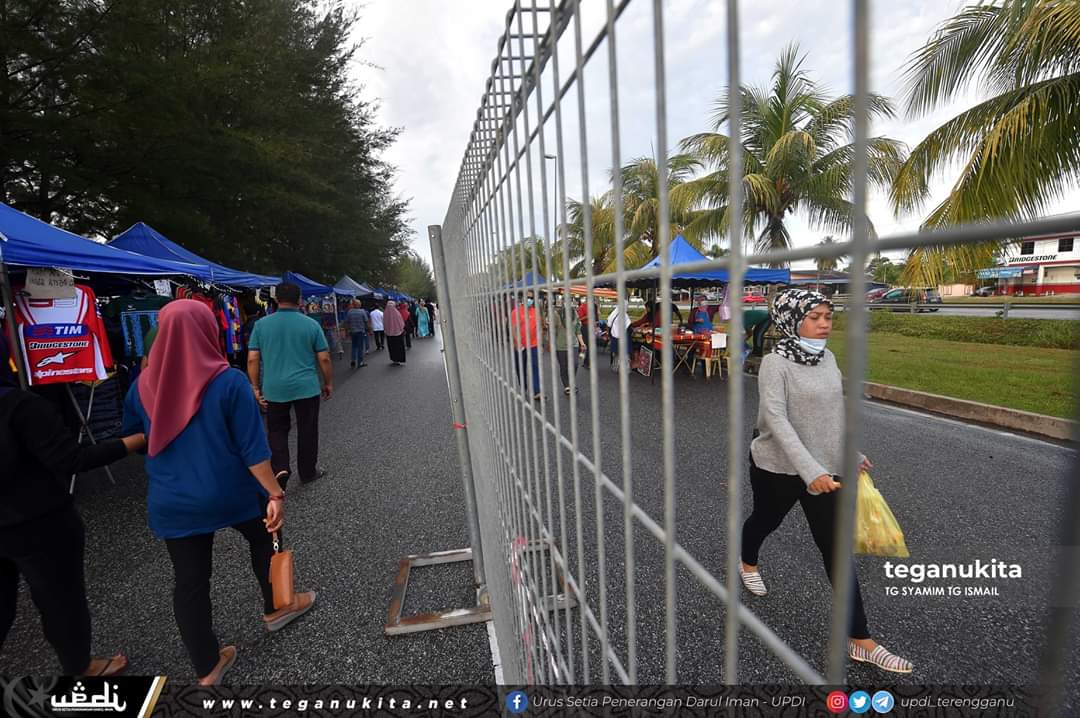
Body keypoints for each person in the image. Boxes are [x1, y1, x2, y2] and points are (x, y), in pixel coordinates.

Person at [122, 300, 315, 685]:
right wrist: (275, 493)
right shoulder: (228, 381)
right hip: (233, 492)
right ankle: (277, 607)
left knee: (190, 582)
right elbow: (254, 451)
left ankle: (207, 666)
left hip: (173, 500)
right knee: (265, 540)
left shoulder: (141, 386)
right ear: (209, 330)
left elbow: (138, 441)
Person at [740, 288, 912, 674]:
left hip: (824, 471)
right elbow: (776, 421)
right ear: (791, 319)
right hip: (777, 468)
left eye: (828, 317)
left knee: (835, 550)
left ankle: (860, 640)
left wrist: (847, 455)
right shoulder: (774, 363)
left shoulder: (828, 358)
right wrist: (810, 470)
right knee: (765, 522)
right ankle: (747, 563)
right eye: (814, 317)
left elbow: (834, 417)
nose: (823, 325)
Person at [0, 334, 144, 677]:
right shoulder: (21, 406)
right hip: (38, 522)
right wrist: (134, 441)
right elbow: (70, 458)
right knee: (60, 601)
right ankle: (80, 667)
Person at [247, 282, 332, 488]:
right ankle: (308, 471)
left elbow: (252, 358)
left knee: (276, 430)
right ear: (300, 300)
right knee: (308, 429)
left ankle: (281, 468)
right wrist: (328, 382)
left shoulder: (261, 325)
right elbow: (324, 358)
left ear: (276, 300)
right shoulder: (310, 324)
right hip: (306, 387)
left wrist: (255, 387)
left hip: (274, 388)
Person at [545, 297, 585, 395]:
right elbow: (552, 330)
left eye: (571, 302)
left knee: (575, 364)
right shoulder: (556, 314)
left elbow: (578, 330)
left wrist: (582, 343)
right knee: (564, 366)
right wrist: (551, 343)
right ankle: (567, 385)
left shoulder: (575, 314)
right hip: (560, 345)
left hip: (574, 344)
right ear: (563, 303)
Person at [510, 295, 542, 400]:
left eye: (531, 297)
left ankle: (537, 391)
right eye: (527, 297)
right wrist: (518, 342)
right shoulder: (516, 312)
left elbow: (538, 328)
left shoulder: (535, 311)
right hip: (520, 345)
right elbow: (513, 329)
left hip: (534, 344)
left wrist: (540, 343)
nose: (530, 299)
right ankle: (523, 387)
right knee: (520, 367)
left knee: (535, 367)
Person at [606, 301, 632, 370]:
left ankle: (615, 367)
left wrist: (609, 334)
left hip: (615, 337)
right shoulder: (624, 315)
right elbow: (629, 326)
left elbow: (608, 324)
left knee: (616, 353)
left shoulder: (614, 313)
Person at [345, 300, 371, 369]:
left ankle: (353, 360)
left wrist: (347, 331)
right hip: (360, 332)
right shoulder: (362, 311)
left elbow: (347, 322)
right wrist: (369, 329)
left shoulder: (349, 312)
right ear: (358, 305)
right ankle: (360, 362)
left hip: (352, 332)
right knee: (360, 347)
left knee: (354, 346)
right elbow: (366, 321)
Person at [384, 300, 407, 365]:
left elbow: (384, 323)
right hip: (398, 333)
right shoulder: (397, 313)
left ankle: (394, 359)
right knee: (399, 347)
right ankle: (399, 359)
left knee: (392, 347)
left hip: (389, 334)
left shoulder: (385, 313)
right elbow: (401, 323)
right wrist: (402, 329)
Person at [576, 297, 593, 370]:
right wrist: (587, 316)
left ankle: (586, 360)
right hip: (585, 327)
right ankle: (586, 362)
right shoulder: (582, 307)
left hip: (590, 327)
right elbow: (579, 319)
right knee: (586, 345)